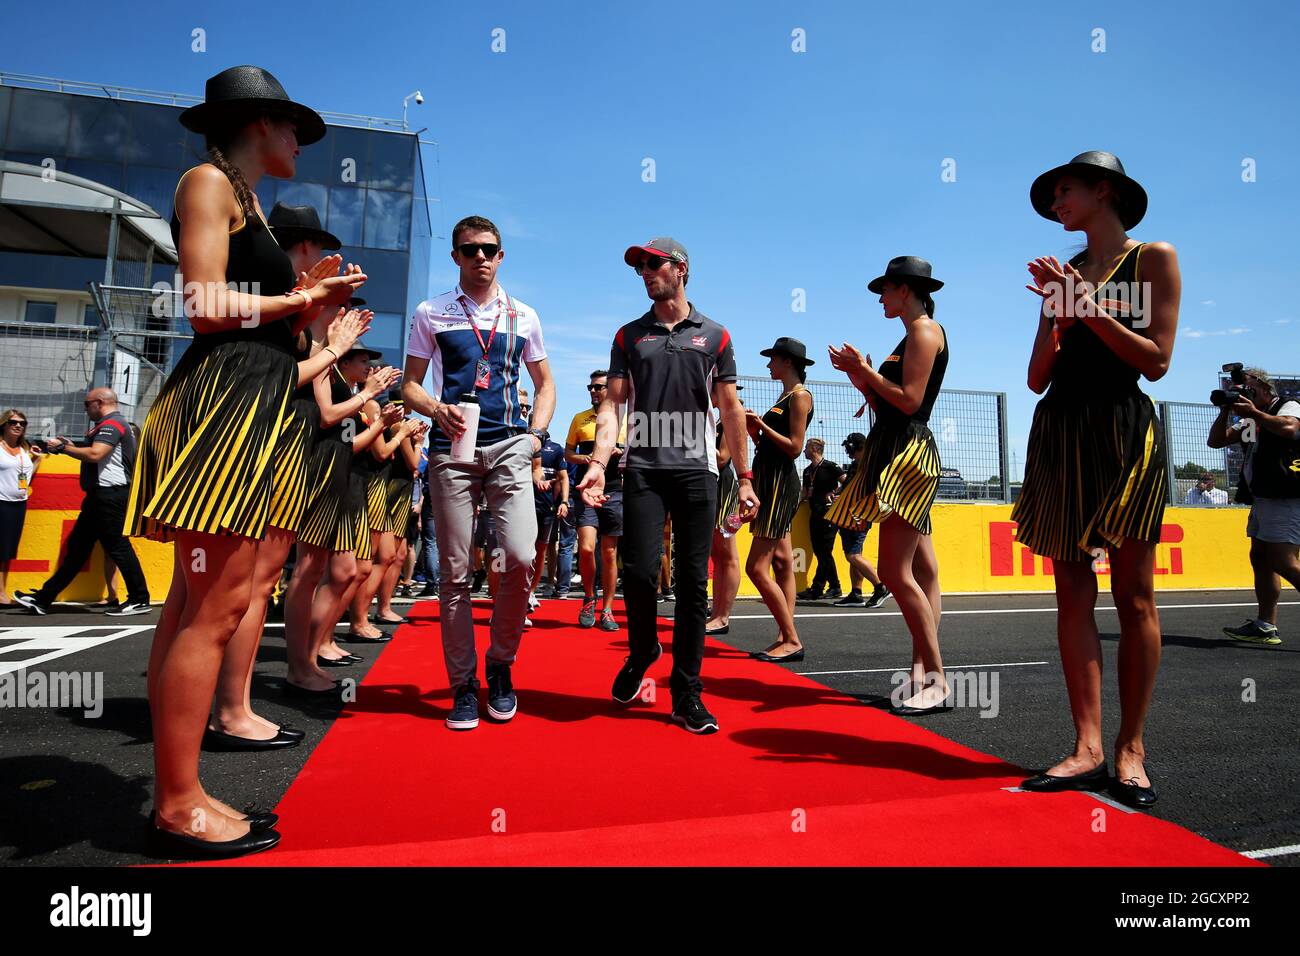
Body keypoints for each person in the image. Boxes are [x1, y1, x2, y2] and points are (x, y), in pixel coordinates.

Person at [122, 65, 365, 857]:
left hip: (249, 407)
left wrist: (313, 309)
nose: (300, 140)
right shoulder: (206, 181)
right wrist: (299, 302)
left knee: (199, 606)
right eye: (293, 126)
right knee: (214, 609)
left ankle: (178, 790)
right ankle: (179, 802)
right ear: (259, 123)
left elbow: (245, 315)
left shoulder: (244, 198)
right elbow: (201, 303)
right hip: (224, 410)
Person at [1013, 151, 1180, 809]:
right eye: (1054, 196)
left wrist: (1088, 308)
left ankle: (1129, 749)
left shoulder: (1153, 258)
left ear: (1102, 191)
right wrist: (1060, 312)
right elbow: (1035, 377)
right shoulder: (1066, 272)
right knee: (1070, 591)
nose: (1056, 204)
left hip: (1122, 427)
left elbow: (1158, 362)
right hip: (1060, 428)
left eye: (1065, 191)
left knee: (1135, 595)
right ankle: (1085, 747)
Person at [579, 236, 758, 734]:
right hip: (642, 468)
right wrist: (598, 462)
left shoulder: (716, 336)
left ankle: (686, 693)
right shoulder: (629, 336)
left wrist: (743, 477)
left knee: (690, 584)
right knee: (638, 572)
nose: (645, 273)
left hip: (698, 470)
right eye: (640, 267)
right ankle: (642, 651)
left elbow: (730, 410)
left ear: (681, 269)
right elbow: (611, 407)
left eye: (653, 265)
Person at [402, 215, 555, 731]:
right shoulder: (433, 312)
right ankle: (464, 684)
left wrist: (536, 434)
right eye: (470, 250)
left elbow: (546, 383)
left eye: (490, 249)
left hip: (511, 446)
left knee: (519, 556)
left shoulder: (525, 315)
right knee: (453, 571)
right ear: (456, 256)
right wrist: (433, 408)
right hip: (453, 448)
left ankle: (501, 663)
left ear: (502, 255)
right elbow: (410, 386)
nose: (481, 258)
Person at [825, 256, 950, 715]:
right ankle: (922, 673)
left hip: (906, 453)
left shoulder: (923, 331)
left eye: (885, 289)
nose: (879, 298)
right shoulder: (913, 334)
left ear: (905, 290)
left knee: (896, 573)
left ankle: (935, 679)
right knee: (924, 570)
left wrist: (869, 372)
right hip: (900, 445)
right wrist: (860, 375)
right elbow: (888, 401)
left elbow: (911, 401)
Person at [14, 388, 151, 617]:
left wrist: (64, 448)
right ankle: (42, 599)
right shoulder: (108, 425)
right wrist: (70, 447)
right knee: (77, 550)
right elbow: (95, 453)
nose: (84, 409)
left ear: (99, 403)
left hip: (110, 496)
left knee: (118, 547)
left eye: (87, 404)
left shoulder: (112, 424)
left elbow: (96, 454)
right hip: (99, 498)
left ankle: (139, 598)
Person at [1209, 368, 1300, 645]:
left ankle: (1265, 624)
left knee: (1282, 561)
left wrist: (1255, 413)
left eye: (1247, 388)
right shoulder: (1249, 420)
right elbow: (1216, 441)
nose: (1243, 394)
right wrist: (1226, 409)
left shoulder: (1287, 405)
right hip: (1263, 497)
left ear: (1263, 387)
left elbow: (1289, 428)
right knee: (1260, 558)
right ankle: (1265, 625)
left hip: (1287, 496)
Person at [745, 338, 814, 662]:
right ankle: (785, 635)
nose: (768, 365)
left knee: (756, 568)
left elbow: (795, 447)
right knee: (782, 563)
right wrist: (755, 430)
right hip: (769, 479)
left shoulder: (799, 397)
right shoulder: (785, 395)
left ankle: (790, 638)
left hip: (779, 484)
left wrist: (761, 426)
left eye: (772, 359)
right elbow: (771, 445)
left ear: (786, 361)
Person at [565, 371, 626, 630]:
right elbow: (568, 453)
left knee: (609, 553)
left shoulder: (624, 420)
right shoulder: (580, 419)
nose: (593, 391)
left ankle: (608, 609)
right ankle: (589, 598)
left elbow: (635, 452)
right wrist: (587, 458)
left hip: (615, 490)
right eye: (590, 387)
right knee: (588, 548)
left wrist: (618, 451)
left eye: (599, 387)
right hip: (587, 491)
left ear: (610, 388)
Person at [830, 434, 889, 608]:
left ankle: (880, 587)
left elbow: (869, 491)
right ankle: (856, 593)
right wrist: (839, 494)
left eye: (853, 450)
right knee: (854, 555)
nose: (850, 454)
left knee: (853, 555)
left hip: (858, 515)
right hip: (847, 514)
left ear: (862, 448)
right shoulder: (857, 464)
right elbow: (848, 484)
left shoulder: (872, 465)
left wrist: (845, 499)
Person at [705, 389, 744, 636]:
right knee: (718, 555)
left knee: (727, 553)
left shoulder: (731, 418)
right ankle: (717, 612)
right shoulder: (717, 421)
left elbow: (722, 458)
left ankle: (722, 615)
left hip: (726, 488)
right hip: (713, 486)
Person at [0, 409, 43, 605]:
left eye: (22, 423)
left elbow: (25, 477)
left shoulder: (24, 449)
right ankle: (1, 595)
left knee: (8, 551)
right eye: (13, 422)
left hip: (18, 503)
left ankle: (2, 592)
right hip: (1, 502)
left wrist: (36, 460)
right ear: (4, 425)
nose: (18, 426)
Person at [797, 438, 845, 601]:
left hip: (829, 513)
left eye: (806, 448)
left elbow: (848, 481)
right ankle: (835, 586)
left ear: (814, 449)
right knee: (821, 552)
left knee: (824, 552)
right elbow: (804, 493)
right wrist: (792, 504)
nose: (803, 451)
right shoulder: (807, 471)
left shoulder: (830, 466)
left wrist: (837, 493)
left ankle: (818, 588)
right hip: (815, 514)